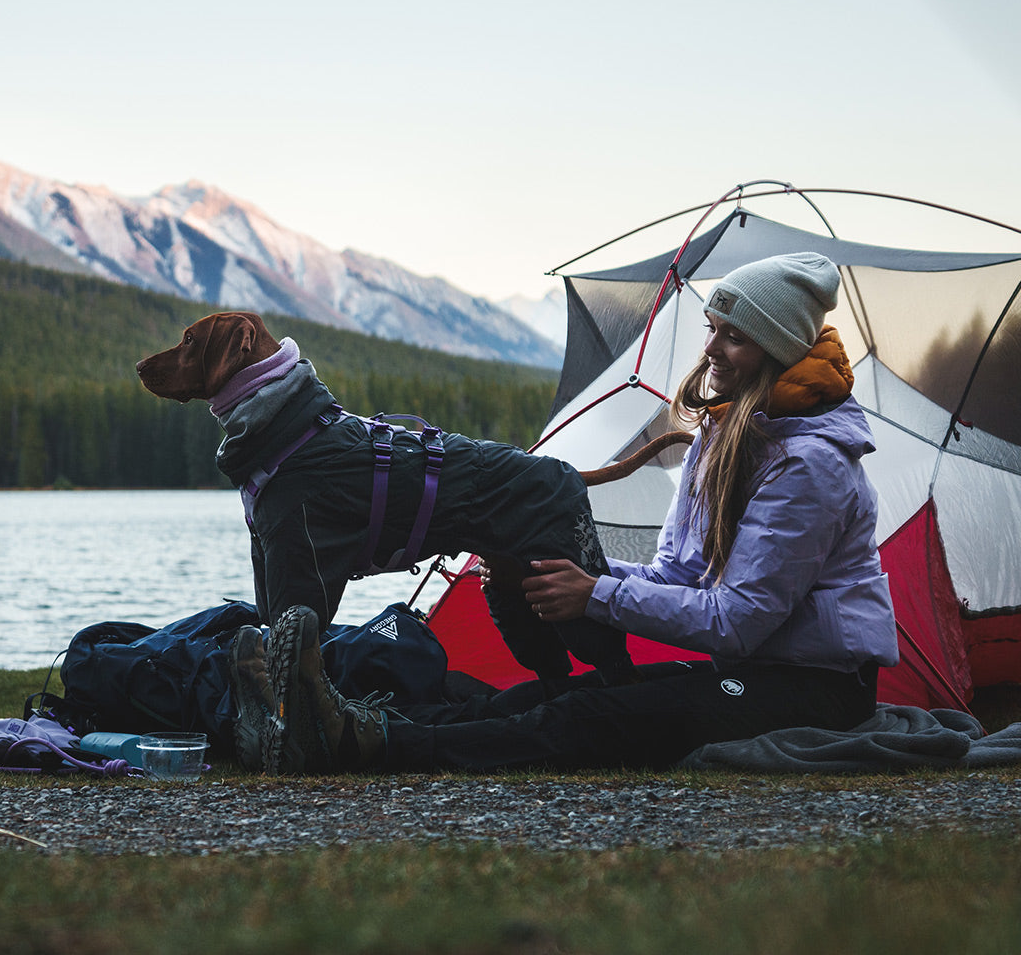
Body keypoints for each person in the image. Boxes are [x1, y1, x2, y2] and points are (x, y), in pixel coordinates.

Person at [243, 251, 900, 775]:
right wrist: (567, 573)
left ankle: (374, 747)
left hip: (816, 693)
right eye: (715, 330)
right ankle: (345, 727)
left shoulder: (811, 464)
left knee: (596, 721)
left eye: (738, 337)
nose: (715, 350)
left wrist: (595, 596)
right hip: (751, 675)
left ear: (778, 348)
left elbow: (739, 624)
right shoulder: (722, 436)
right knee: (545, 697)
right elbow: (677, 577)